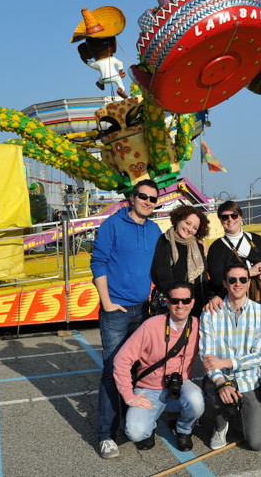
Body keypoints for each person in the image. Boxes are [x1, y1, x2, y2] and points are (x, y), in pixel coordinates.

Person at [90, 179, 162, 459]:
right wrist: (107, 303)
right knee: (112, 370)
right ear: (131, 198)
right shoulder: (113, 224)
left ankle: (133, 423)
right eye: (142, 196)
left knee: (136, 370)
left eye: (152, 198)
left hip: (143, 310)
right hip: (116, 312)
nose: (147, 201)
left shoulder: (155, 230)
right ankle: (106, 435)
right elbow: (98, 262)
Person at [113, 282, 203, 452]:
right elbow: (121, 360)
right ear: (167, 302)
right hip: (149, 389)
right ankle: (150, 426)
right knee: (135, 433)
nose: (180, 305)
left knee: (196, 400)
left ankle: (184, 430)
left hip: (181, 385)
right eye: (175, 301)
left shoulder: (199, 326)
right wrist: (129, 396)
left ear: (192, 302)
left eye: (185, 300)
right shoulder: (151, 325)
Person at [201, 262, 261, 451]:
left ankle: (238, 412)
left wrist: (225, 362)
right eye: (232, 280)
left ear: (249, 282)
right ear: (225, 283)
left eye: (243, 279)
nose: (238, 283)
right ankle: (220, 426)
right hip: (220, 378)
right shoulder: (210, 313)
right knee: (214, 390)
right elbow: (207, 356)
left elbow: (259, 357)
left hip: (249, 381)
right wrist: (221, 383)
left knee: (257, 443)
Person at [152, 205, 212, 318]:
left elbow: (203, 279)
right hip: (172, 306)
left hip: (195, 307)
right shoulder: (164, 242)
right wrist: (178, 300)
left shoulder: (197, 246)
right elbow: (159, 275)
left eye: (195, 228)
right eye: (187, 223)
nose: (190, 229)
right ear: (178, 219)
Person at [207, 200, 261, 299]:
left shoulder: (257, 239)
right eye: (225, 217)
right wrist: (249, 272)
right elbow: (217, 279)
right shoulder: (216, 248)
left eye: (234, 215)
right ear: (220, 220)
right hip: (233, 300)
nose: (230, 219)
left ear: (240, 216)